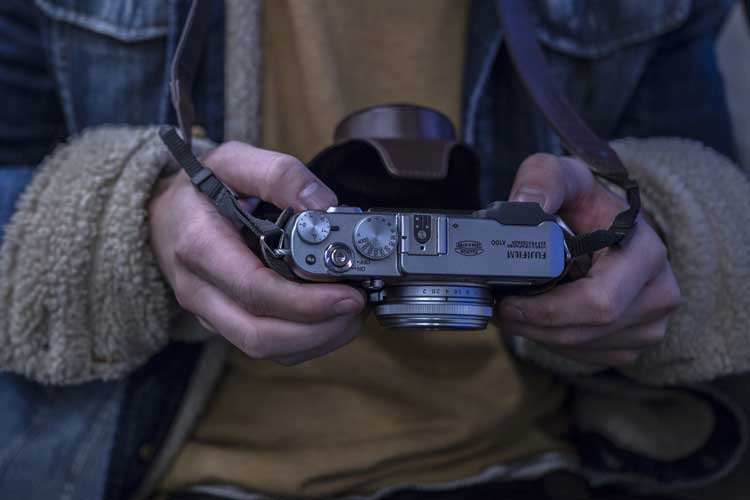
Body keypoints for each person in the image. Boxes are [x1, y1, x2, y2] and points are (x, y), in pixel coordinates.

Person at [0, 0, 748, 499]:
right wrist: (132, 220)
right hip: (155, 470)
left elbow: (710, 184)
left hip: (532, 458)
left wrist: (661, 240)